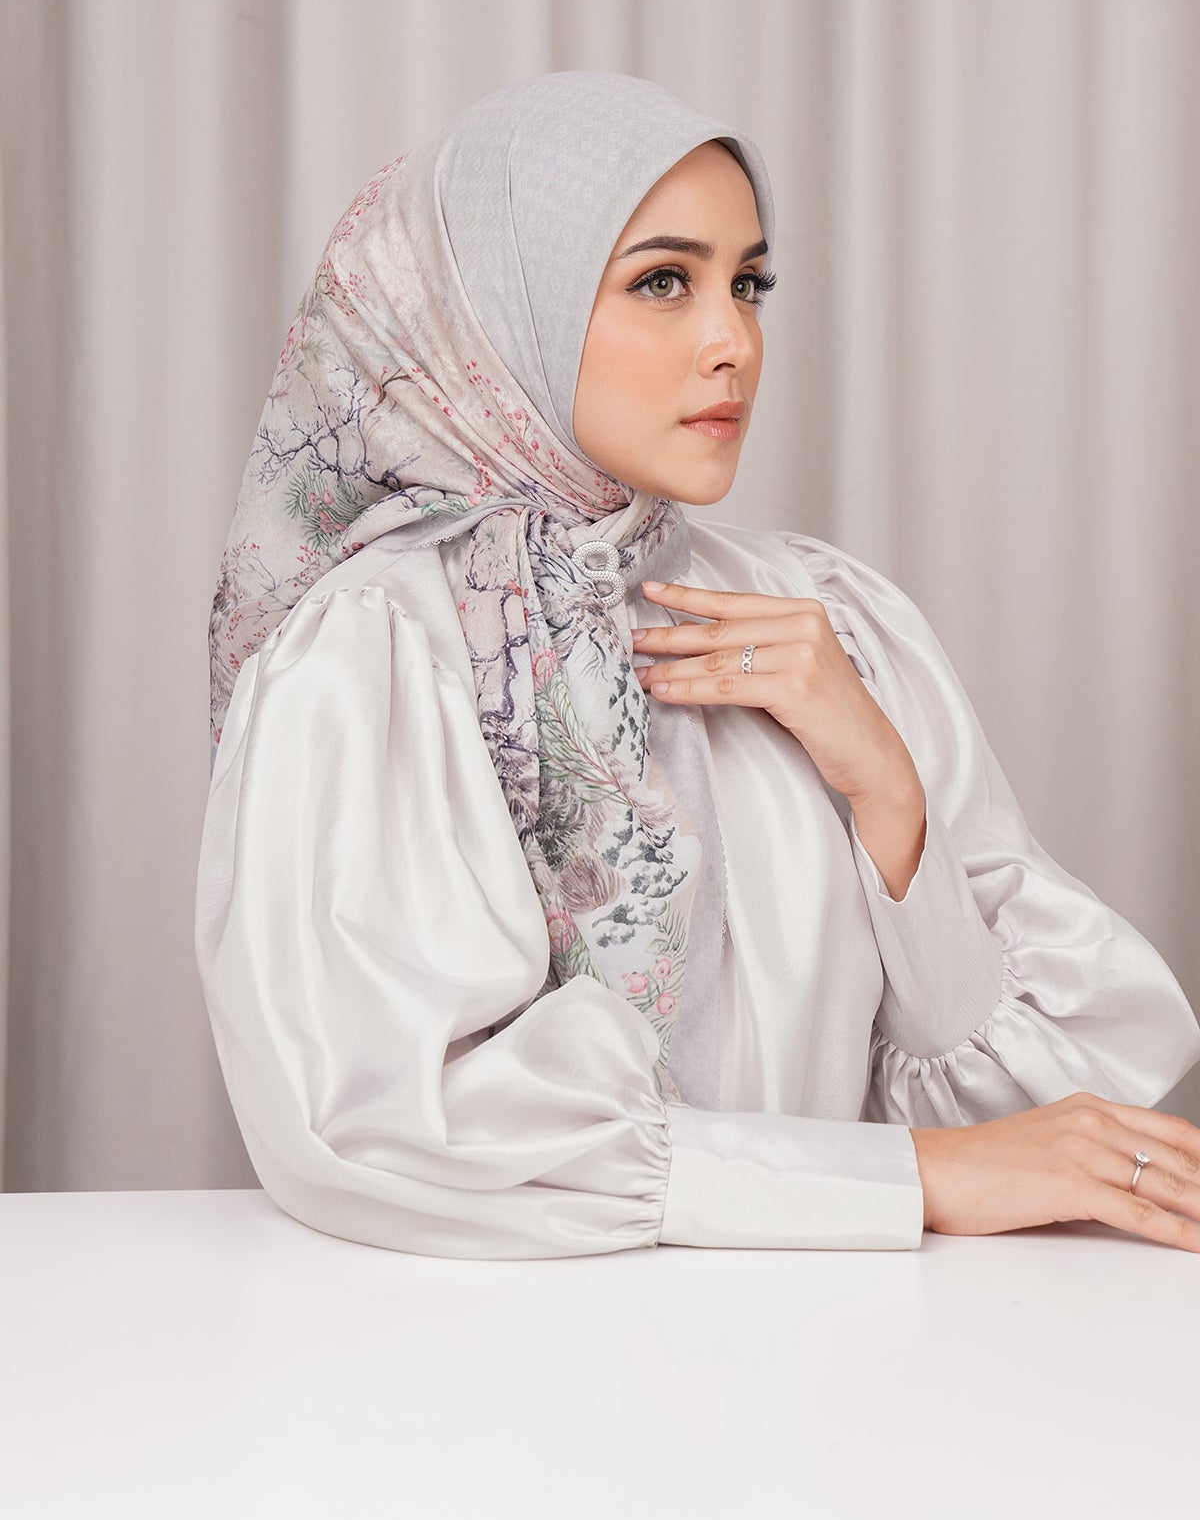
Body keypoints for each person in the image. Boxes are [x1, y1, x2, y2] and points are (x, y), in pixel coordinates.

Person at [196, 69, 1200, 1260]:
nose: (733, 343)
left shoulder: (827, 618)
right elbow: (386, 1130)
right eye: (663, 282)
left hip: (847, 1355)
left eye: (748, 284)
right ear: (499, 310)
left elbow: (1022, 1128)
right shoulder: (374, 652)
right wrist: (903, 1180)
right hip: (486, 1364)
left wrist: (884, 788)